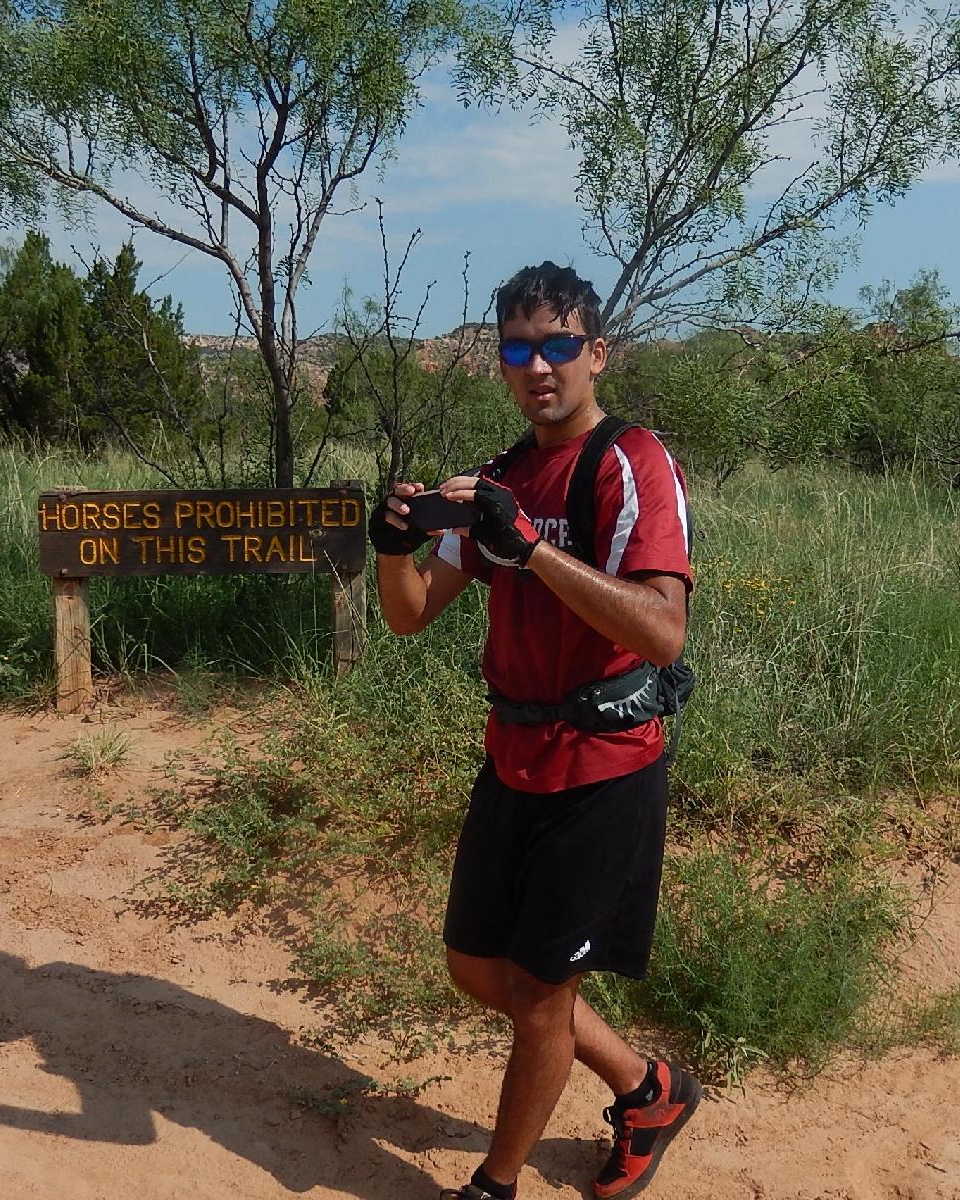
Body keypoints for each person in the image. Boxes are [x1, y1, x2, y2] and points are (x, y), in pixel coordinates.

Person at [368, 262, 699, 1200]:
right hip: (512, 756)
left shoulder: (632, 462)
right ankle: (648, 1086)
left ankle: (495, 1184)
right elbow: (409, 613)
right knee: (478, 965)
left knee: (541, 999)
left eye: (559, 345)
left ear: (597, 353)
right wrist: (395, 547)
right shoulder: (499, 479)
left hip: (602, 765)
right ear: (501, 365)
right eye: (519, 349)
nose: (539, 366)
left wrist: (534, 551)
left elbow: (661, 628)